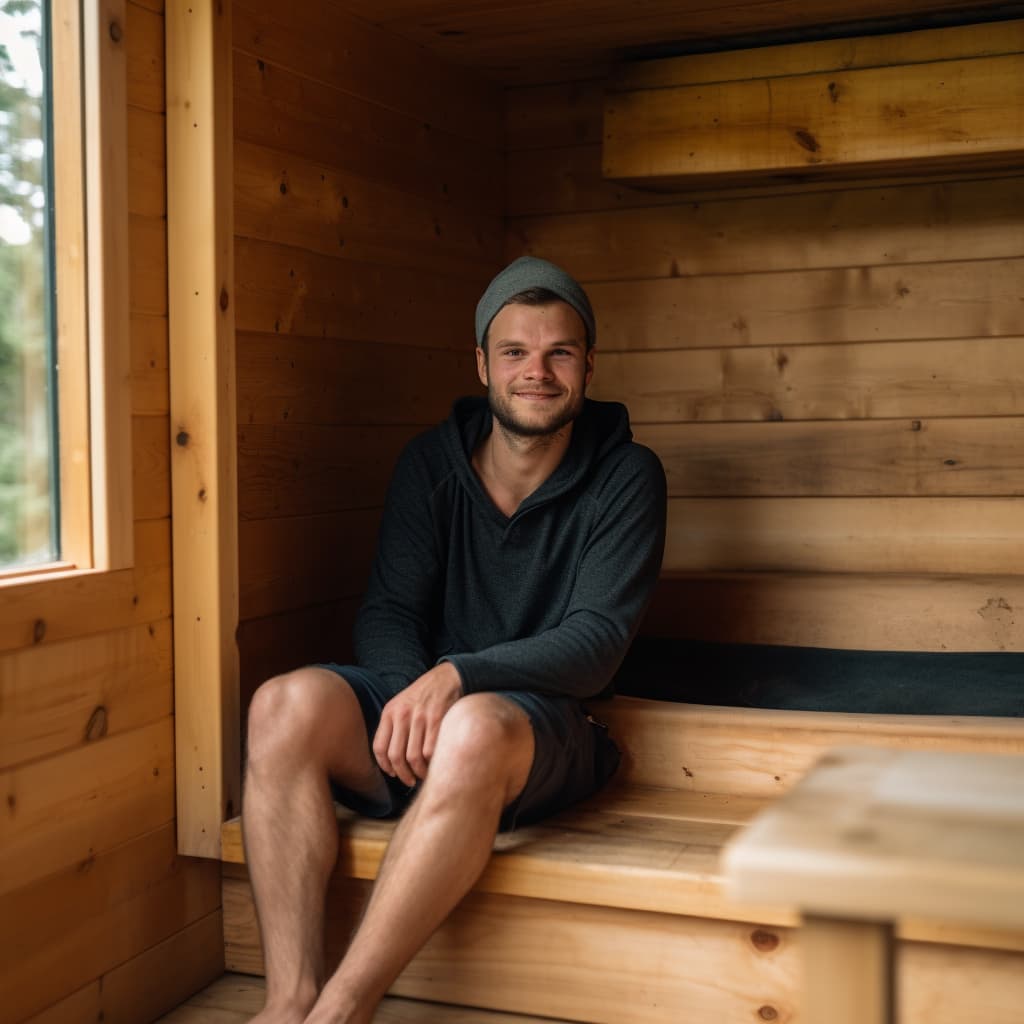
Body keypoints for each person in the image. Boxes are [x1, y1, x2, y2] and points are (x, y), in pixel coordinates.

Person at [243, 256, 667, 1024]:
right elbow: (389, 610)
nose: (535, 371)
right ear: (482, 364)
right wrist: (417, 695)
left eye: (559, 352)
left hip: (544, 724)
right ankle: (288, 998)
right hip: (431, 708)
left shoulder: (627, 475)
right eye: (514, 352)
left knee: (472, 726)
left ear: (589, 366)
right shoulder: (429, 464)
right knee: (283, 703)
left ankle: (342, 1008)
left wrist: (457, 679)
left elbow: (597, 641)